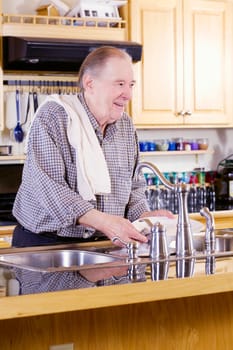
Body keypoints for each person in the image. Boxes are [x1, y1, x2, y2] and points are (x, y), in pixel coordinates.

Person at [12, 46, 173, 249]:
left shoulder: (125, 125)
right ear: (90, 83)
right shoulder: (54, 117)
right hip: (46, 245)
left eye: (131, 85)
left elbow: (134, 188)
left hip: (105, 242)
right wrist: (105, 222)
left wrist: (144, 216)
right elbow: (50, 188)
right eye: (120, 84)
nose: (128, 94)